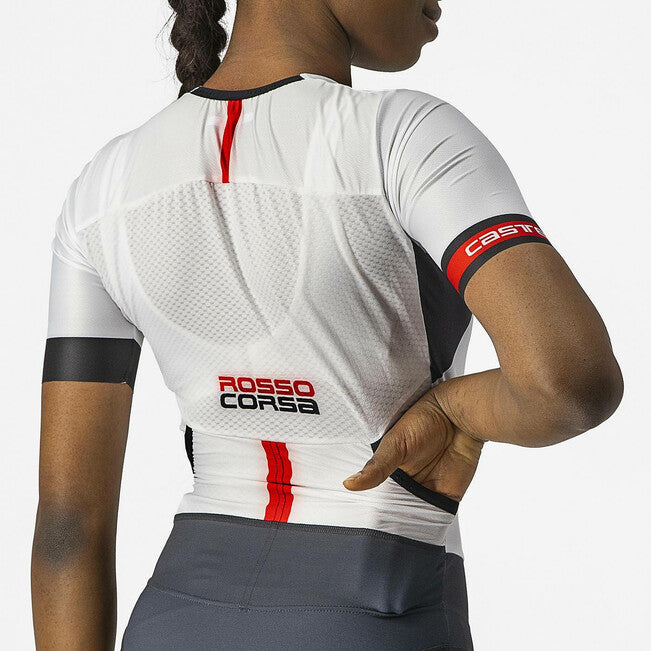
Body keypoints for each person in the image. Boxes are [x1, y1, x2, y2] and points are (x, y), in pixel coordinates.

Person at [31, 0, 624, 649]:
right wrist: (454, 410)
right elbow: (566, 382)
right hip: (374, 613)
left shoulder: (103, 187)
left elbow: (67, 527)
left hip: (172, 621)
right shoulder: (405, 138)